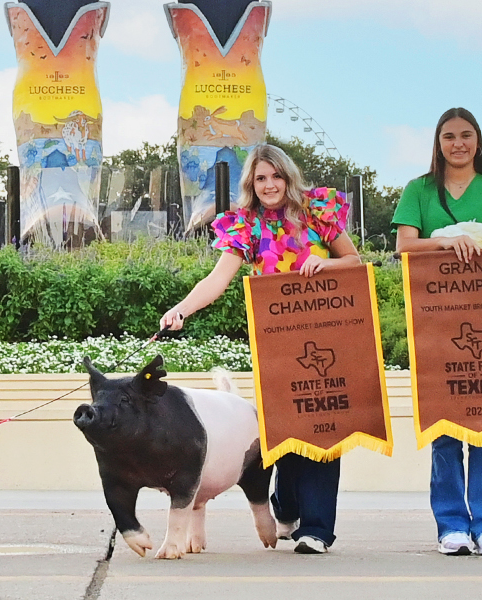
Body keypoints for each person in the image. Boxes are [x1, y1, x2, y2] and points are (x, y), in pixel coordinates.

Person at [160, 144, 361, 555]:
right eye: (260, 178)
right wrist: (180, 310)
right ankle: (286, 507)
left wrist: (327, 264)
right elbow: (216, 281)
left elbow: (355, 261)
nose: (269, 185)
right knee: (285, 434)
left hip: (326, 337)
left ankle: (318, 529)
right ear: (252, 184)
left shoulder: (318, 213)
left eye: (276, 176)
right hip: (277, 345)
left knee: (323, 430)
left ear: (288, 177)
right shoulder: (247, 226)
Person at [392, 108, 482, 556]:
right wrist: (447, 238)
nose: (458, 144)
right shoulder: (419, 189)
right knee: (445, 427)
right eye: (449, 136)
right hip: (437, 322)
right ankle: (452, 525)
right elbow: (404, 244)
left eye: (466, 136)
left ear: (478, 141)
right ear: (437, 143)